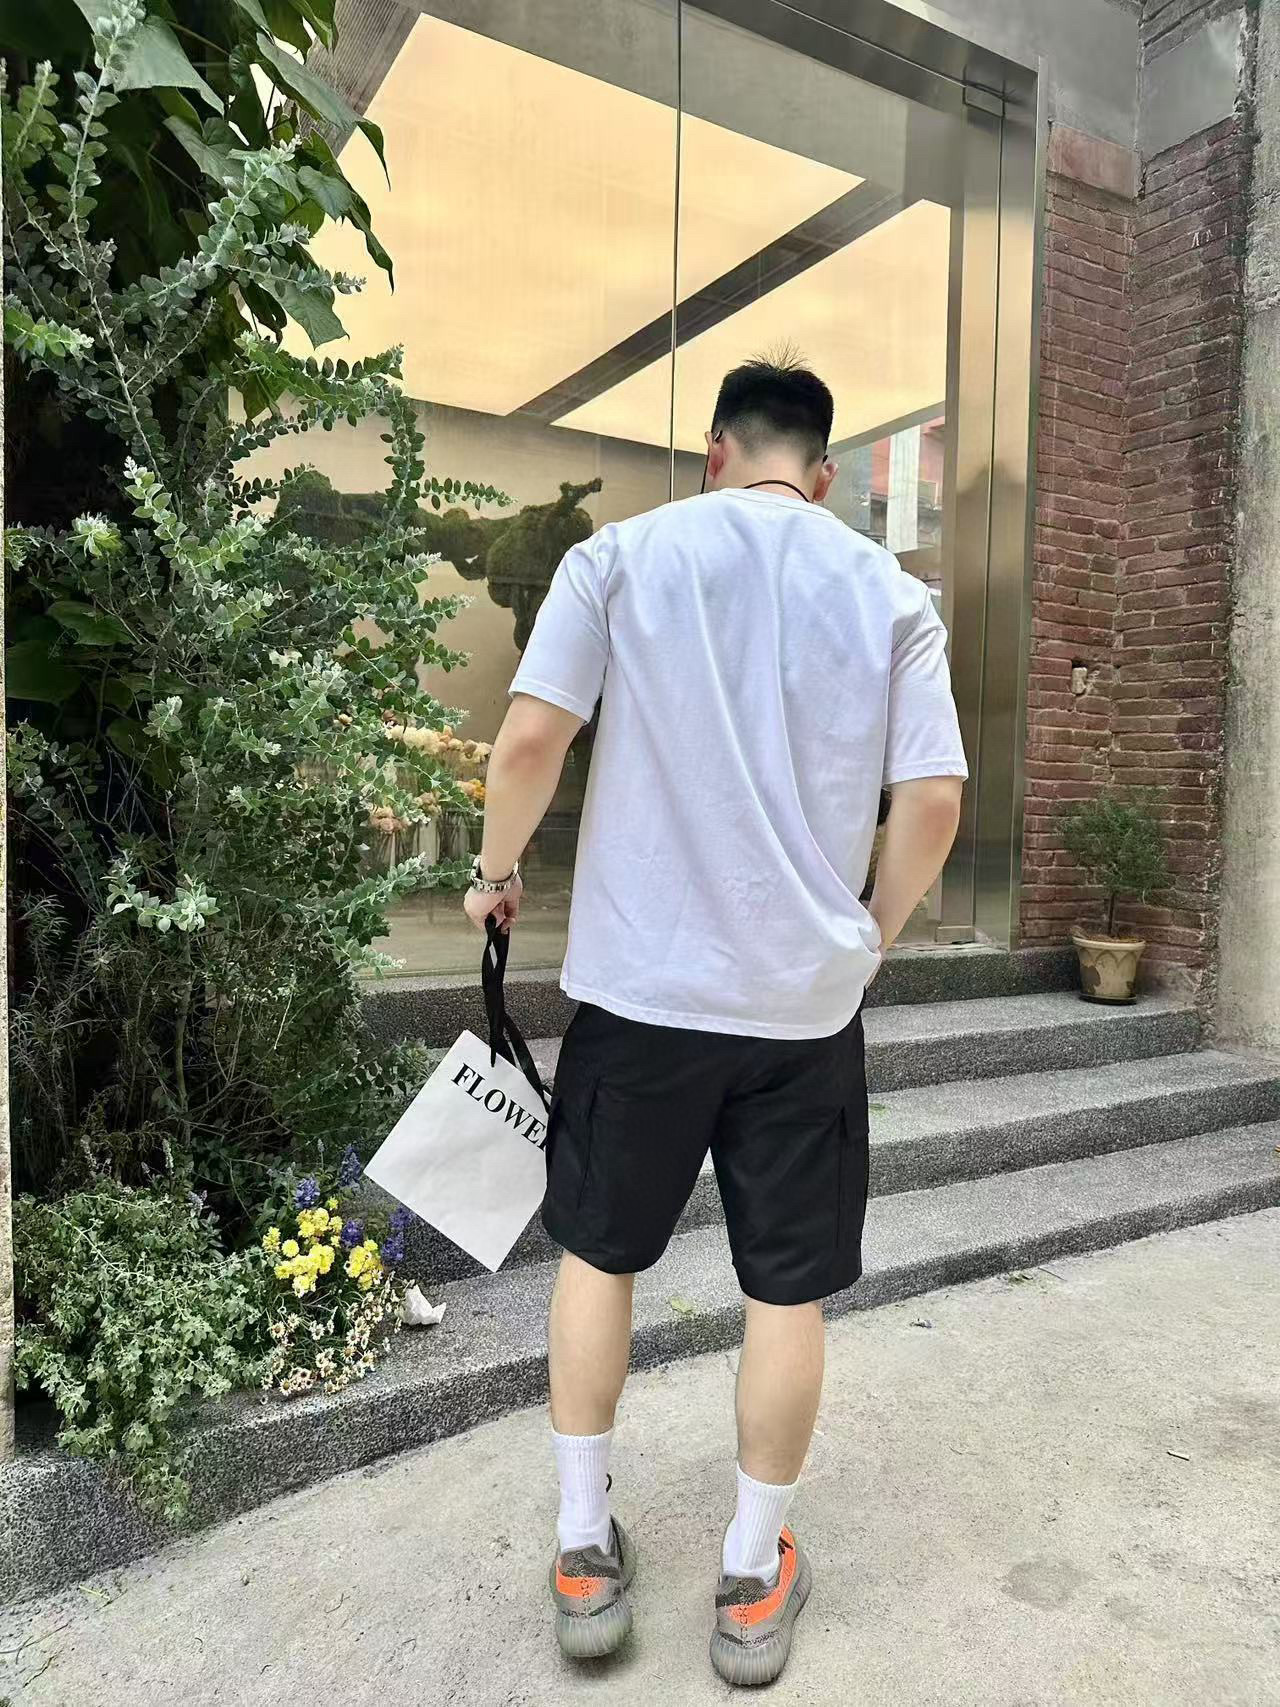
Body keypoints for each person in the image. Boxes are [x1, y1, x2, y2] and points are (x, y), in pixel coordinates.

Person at [463, 355, 966, 1686]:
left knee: (598, 1257)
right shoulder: (893, 594)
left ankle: (584, 1551)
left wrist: (496, 875)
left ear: (714, 454)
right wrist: (869, 936)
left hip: (642, 990)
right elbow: (933, 802)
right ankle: (751, 1578)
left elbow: (529, 744)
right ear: (827, 475)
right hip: (802, 1008)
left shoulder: (622, 557)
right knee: (787, 1288)